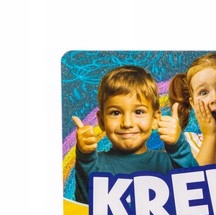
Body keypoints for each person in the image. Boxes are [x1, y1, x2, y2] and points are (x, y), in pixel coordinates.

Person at [72, 64, 196, 204]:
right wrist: (85, 157)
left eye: (138, 112)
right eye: (115, 113)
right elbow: (85, 204)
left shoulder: (168, 163)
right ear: (101, 121)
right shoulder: (95, 165)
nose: (127, 123)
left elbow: (196, 195)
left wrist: (178, 146)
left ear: (155, 119)